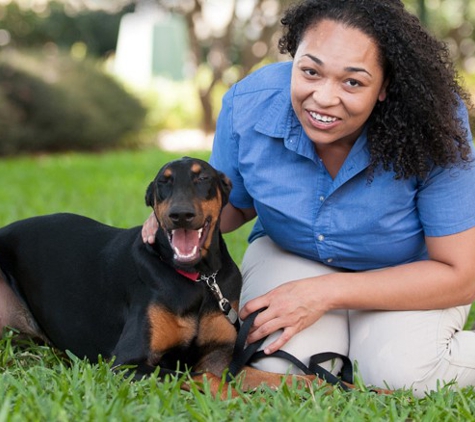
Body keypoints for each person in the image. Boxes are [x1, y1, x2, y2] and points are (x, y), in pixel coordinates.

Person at [143, 0, 475, 397]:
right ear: (294, 58)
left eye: (353, 82)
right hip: (293, 254)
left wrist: (323, 295)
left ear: (386, 84)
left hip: (407, 270)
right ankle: (353, 346)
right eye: (310, 71)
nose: (323, 98)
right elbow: (234, 205)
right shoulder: (249, 105)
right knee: (272, 365)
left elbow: (461, 274)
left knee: (401, 376)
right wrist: (182, 218)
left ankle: (372, 346)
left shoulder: (434, 122)